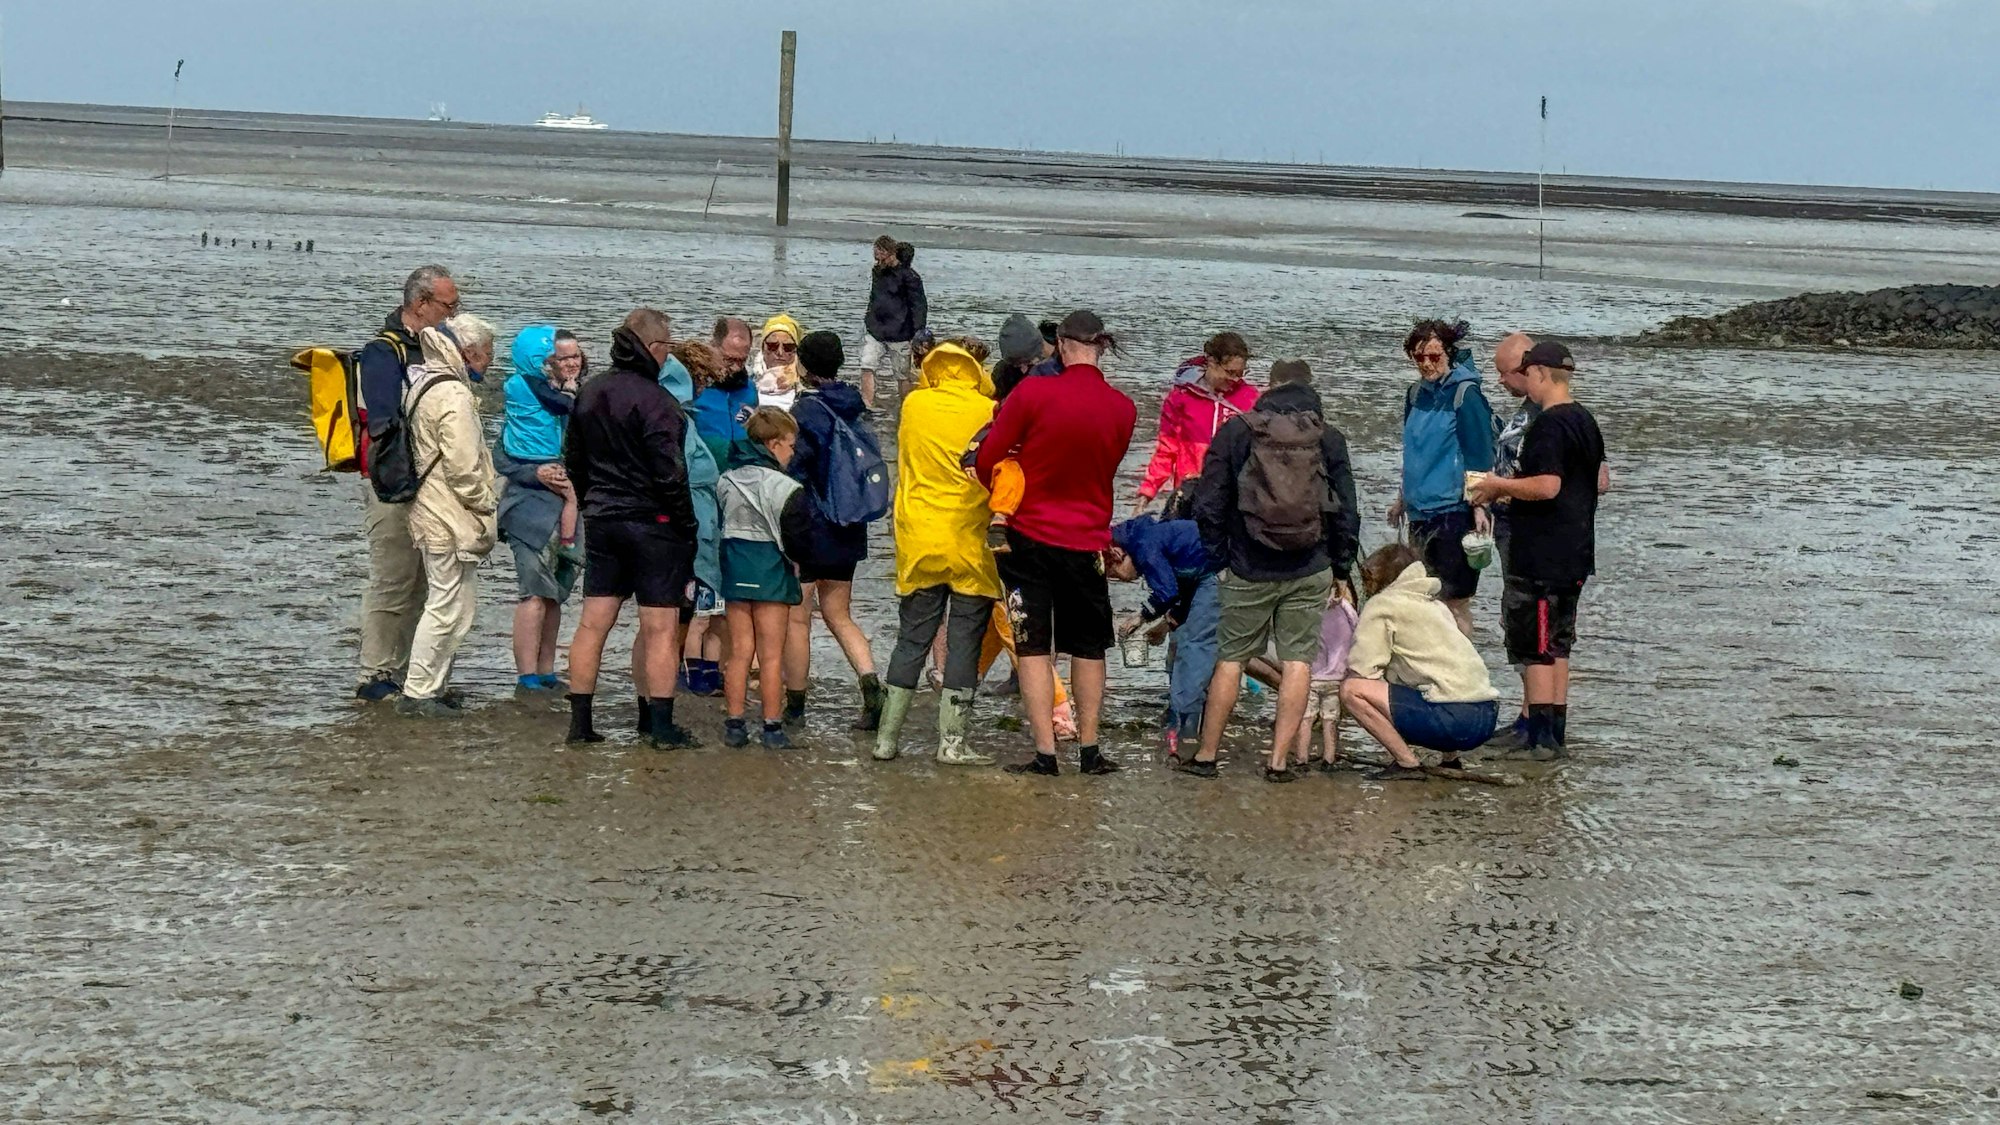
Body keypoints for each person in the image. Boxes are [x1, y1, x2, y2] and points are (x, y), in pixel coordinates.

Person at [1180, 358, 1361, 783]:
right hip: (1310, 564)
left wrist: (1218, 557)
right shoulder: (1328, 437)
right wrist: (1341, 566)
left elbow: (1207, 502)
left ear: (1269, 391)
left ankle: (1207, 756)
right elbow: (1347, 510)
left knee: (1231, 658)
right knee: (1298, 661)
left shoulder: (1237, 431)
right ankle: (1278, 763)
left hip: (1247, 566)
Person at [973, 310, 1137, 777]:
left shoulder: (1034, 392)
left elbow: (988, 456)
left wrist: (1004, 486)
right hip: (1086, 539)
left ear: (1061, 344)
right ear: (1100, 347)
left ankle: (1046, 751)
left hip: (1029, 537)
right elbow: (1105, 466)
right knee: (1089, 647)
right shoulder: (1122, 408)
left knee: (1033, 646)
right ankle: (1090, 749)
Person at [562, 309, 701, 750]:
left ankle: (580, 723)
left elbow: (574, 460)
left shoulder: (590, 391)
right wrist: (686, 524)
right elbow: (671, 474)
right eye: (667, 348)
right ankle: (659, 725)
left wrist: (590, 504)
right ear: (655, 348)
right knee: (659, 627)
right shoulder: (659, 402)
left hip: (603, 518)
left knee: (593, 623)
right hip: (654, 523)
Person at [1468, 341, 1606, 761]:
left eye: (1526, 373)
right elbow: (1600, 480)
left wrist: (1498, 486)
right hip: (1576, 551)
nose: (1523, 382)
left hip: (1543, 552)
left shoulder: (1549, 425)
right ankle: (1554, 731)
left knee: (1539, 646)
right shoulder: (1586, 420)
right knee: (1559, 643)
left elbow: (1547, 486)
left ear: (1541, 374)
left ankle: (1542, 738)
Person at [874, 340, 1004, 765]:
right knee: (964, 644)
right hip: (969, 541)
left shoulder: (914, 405)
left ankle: (886, 739)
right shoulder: (988, 411)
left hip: (920, 540)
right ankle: (952, 743)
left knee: (911, 639)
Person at [354, 264, 459, 701]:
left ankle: (412, 674)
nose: (454, 314)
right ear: (420, 304)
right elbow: (384, 423)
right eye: (449, 305)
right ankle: (375, 675)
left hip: (434, 483)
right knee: (393, 580)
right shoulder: (382, 352)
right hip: (393, 483)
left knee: (425, 584)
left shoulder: (440, 346)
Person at [395, 316, 498, 717]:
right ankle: (420, 692)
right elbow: (463, 465)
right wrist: (483, 502)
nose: (490, 360)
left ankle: (430, 686)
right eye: (488, 352)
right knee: (447, 604)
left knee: (451, 602)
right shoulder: (453, 393)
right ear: (469, 352)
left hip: (430, 507)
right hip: (447, 513)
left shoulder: (421, 379)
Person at [782, 331, 884, 730]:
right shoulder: (856, 405)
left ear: (803, 366)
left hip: (811, 525)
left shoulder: (806, 411)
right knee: (839, 614)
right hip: (849, 524)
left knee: (798, 619)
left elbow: (794, 468)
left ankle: (795, 705)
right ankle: (870, 684)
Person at [1340, 543, 1500, 779]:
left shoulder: (1383, 605)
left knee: (1352, 689)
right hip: (1487, 714)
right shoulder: (1436, 605)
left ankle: (1406, 763)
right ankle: (1451, 759)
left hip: (1454, 721)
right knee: (1436, 681)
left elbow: (1363, 667)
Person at [1388, 319, 1497, 637]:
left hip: (1455, 511)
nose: (1426, 364)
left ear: (1449, 354)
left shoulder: (1466, 395)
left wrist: (1478, 505)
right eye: (1419, 357)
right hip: (1420, 512)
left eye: (1434, 357)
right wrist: (1402, 498)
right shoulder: (1414, 395)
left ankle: (1463, 675)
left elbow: (1478, 451)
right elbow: (1413, 451)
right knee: (1423, 597)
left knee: (1454, 601)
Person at [717, 407, 815, 749]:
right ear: (773, 444)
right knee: (771, 655)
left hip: (735, 568)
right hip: (771, 570)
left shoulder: (725, 480)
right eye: (790, 445)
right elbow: (798, 541)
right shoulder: (786, 487)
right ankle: (772, 726)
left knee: (740, 650)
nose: (792, 452)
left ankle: (734, 724)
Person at [494, 325, 583, 693]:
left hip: (571, 507)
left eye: (575, 356)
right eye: (560, 358)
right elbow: (502, 456)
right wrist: (536, 473)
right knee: (533, 591)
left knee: (556, 593)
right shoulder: (529, 393)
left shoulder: (581, 399)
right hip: (529, 510)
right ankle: (526, 675)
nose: (568, 363)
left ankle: (547, 670)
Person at [1106, 512, 1222, 760]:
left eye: (1114, 574)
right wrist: (1168, 622)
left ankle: (1186, 730)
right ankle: (1188, 717)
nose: (1119, 580)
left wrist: (1140, 617)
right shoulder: (1151, 537)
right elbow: (1184, 586)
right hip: (1210, 570)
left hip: (1217, 573)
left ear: (1117, 555)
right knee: (1216, 649)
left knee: (1193, 648)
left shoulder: (1145, 547)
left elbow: (1167, 592)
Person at [656, 341, 726, 698]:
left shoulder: (684, 421)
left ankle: (704, 671)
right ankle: (691, 673)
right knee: (697, 609)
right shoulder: (677, 422)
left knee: (708, 609)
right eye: (701, 382)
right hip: (693, 526)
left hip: (702, 523)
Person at [1135, 331, 1259, 517]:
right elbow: (1166, 450)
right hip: (1190, 491)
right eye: (1230, 373)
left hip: (1234, 495)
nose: (1235, 380)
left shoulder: (1251, 398)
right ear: (1211, 362)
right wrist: (1146, 493)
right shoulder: (1181, 397)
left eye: (1240, 374)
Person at [1293, 593, 1360, 771]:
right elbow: (1357, 631)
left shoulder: (1308, 605)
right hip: (1336, 676)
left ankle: (1301, 759)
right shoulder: (1345, 608)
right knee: (1330, 719)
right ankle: (1329, 759)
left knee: (1305, 719)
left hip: (1311, 675)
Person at [860, 235, 928, 409]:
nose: (878, 258)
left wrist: (918, 332)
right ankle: (866, 404)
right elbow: (874, 298)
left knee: (902, 375)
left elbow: (918, 306)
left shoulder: (910, 277)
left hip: (901, 333)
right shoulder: (878, 272)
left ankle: (905, 407)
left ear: (893, 254)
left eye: (882, 253)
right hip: (876, 330)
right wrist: (869, 318)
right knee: (867, 365)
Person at [690, 317, 759, 466]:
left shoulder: (751, 389)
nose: (736, 367)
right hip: (703, 471)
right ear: (713, 347)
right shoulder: (693, 385)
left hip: (742, 471)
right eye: (729, 360)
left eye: (742, 360)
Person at [752, 314, 804, 410]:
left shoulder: (805, 387)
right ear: (763, 348)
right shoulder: (747, 383)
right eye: (772, 346)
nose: (780, 352)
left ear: (796, 350)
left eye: (788, 347)